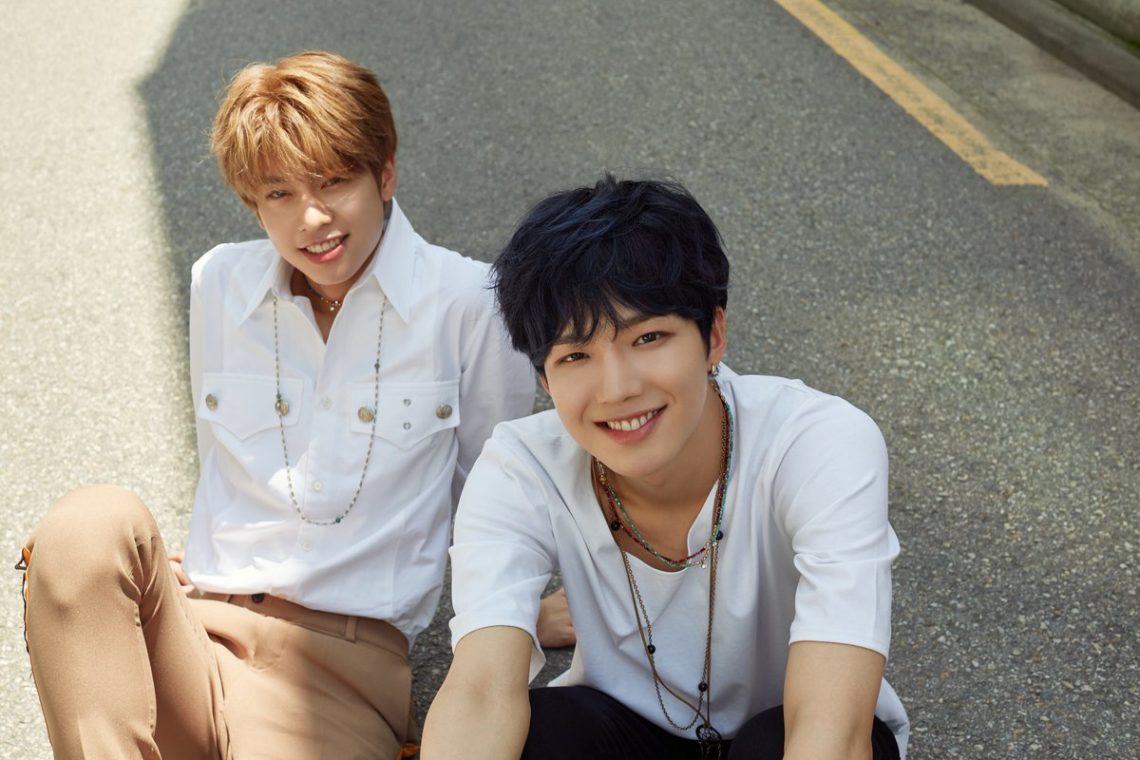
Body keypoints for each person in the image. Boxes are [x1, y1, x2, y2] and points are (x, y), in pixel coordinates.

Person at [17, 50, 569, 760]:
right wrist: (204, 556)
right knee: (86, 525)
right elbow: (222, 462)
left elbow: (495, 496)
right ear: (254, 203)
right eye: (279, 193)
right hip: (199, 635)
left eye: (335, 181)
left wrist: (511, 624)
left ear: (385, 173)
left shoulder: (469, 304)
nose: (312, 218)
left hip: (342, 674)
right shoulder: (219, 283)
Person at [422, 176, 910, 760]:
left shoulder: (818, 443)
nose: (617, 389)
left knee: (771, 742)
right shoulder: (521, 469)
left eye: (648, 337)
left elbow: (832, 731)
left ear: (714, 336)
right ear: (546, 379)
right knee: (546, 734)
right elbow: (479, 691)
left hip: (790, 731)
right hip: (626, 735)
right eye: (576, 354)